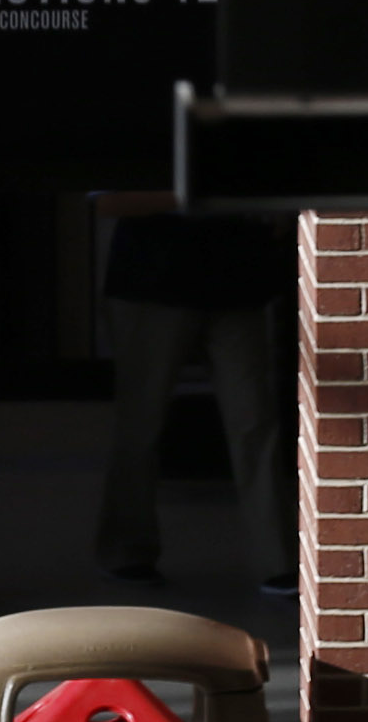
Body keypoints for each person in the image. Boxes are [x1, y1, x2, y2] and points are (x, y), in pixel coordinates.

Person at [93, 200, 299, 597]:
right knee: (141, 421)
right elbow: (110, 199)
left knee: (255, 421)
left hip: (237, 272)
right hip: (154, 270)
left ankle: (278, 559)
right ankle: (125, 551)